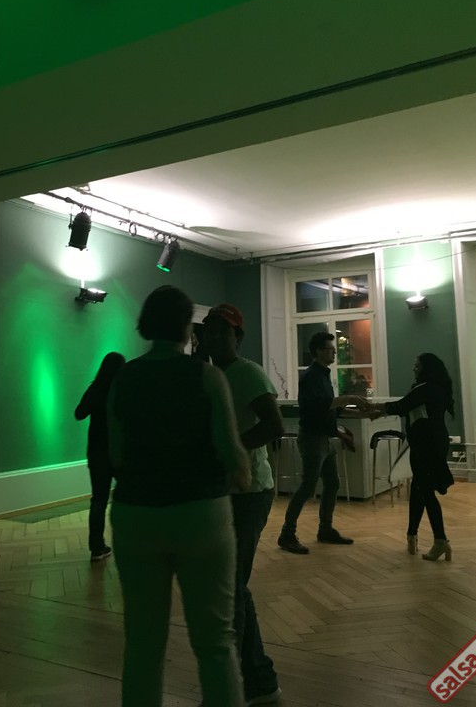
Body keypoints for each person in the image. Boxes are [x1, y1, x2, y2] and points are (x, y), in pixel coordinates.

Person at [107, 286, 251, 707]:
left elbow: (116, 455)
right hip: (200, 515)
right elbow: (232, 455)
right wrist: (241, 476)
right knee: (215, 642)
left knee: (142, 641)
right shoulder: (207, 377)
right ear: (189, 329)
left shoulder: (123, 378)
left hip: (135, 514)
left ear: (146, 325)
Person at [202, 303, 284, 707]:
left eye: (224, 330)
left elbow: (273, 425)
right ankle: (256, 679)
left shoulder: (248, 373)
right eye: (209, 330)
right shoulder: (208, 375)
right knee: (232, 586)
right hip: (223, 492)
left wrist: (231, 452)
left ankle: (242, 682)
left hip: (250, 493)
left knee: (230, 586)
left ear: (238, 336)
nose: (215, 337)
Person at [277, 332, 369, 554]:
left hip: (325, 438)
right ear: (318, 351)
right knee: (308, 486)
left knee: (332, 483)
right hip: (312, 438)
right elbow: (319, 405)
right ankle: (287, 534)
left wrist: (363, 413)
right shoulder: (311, 376)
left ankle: (325, 529)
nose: (334, 351)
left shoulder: (323, 375)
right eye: (329, 348)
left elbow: (331, 408)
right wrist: (349, 399)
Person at [375, 352, 455, 561]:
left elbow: (401, 406)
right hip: (431, 442)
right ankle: (412, 535)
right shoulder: (436, 388)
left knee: (425, 491)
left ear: (427, 369)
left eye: (417, 366)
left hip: (426, 445)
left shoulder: (425, 389)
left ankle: (440, 540)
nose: (414, 369)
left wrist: (372, 409)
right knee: (419, 489)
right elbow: (407, 407)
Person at [75, 351, 125, 562]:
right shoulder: (123, 390)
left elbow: (79, 413)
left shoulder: (95, 389)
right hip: (120, 452)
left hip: (96, 451)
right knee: (125, 498)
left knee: (98, 500)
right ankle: (127, 542)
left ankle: (96, 547)